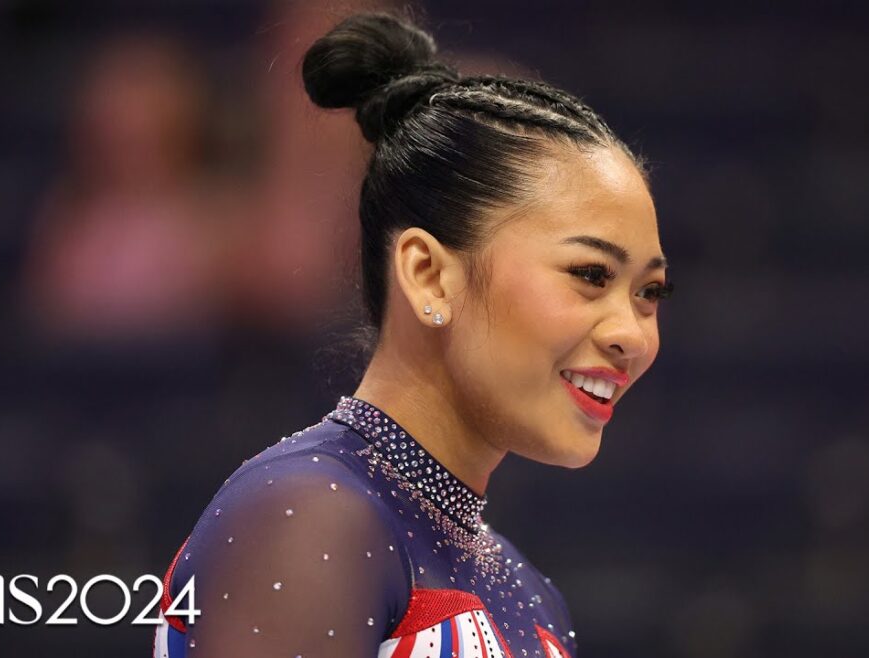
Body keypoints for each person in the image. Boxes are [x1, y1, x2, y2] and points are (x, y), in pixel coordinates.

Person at [153, 12, 673, 658]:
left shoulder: (530, 593)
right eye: (590, 275)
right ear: (428, 275)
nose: (633, 335)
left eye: (649, 293)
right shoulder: (311, 513)